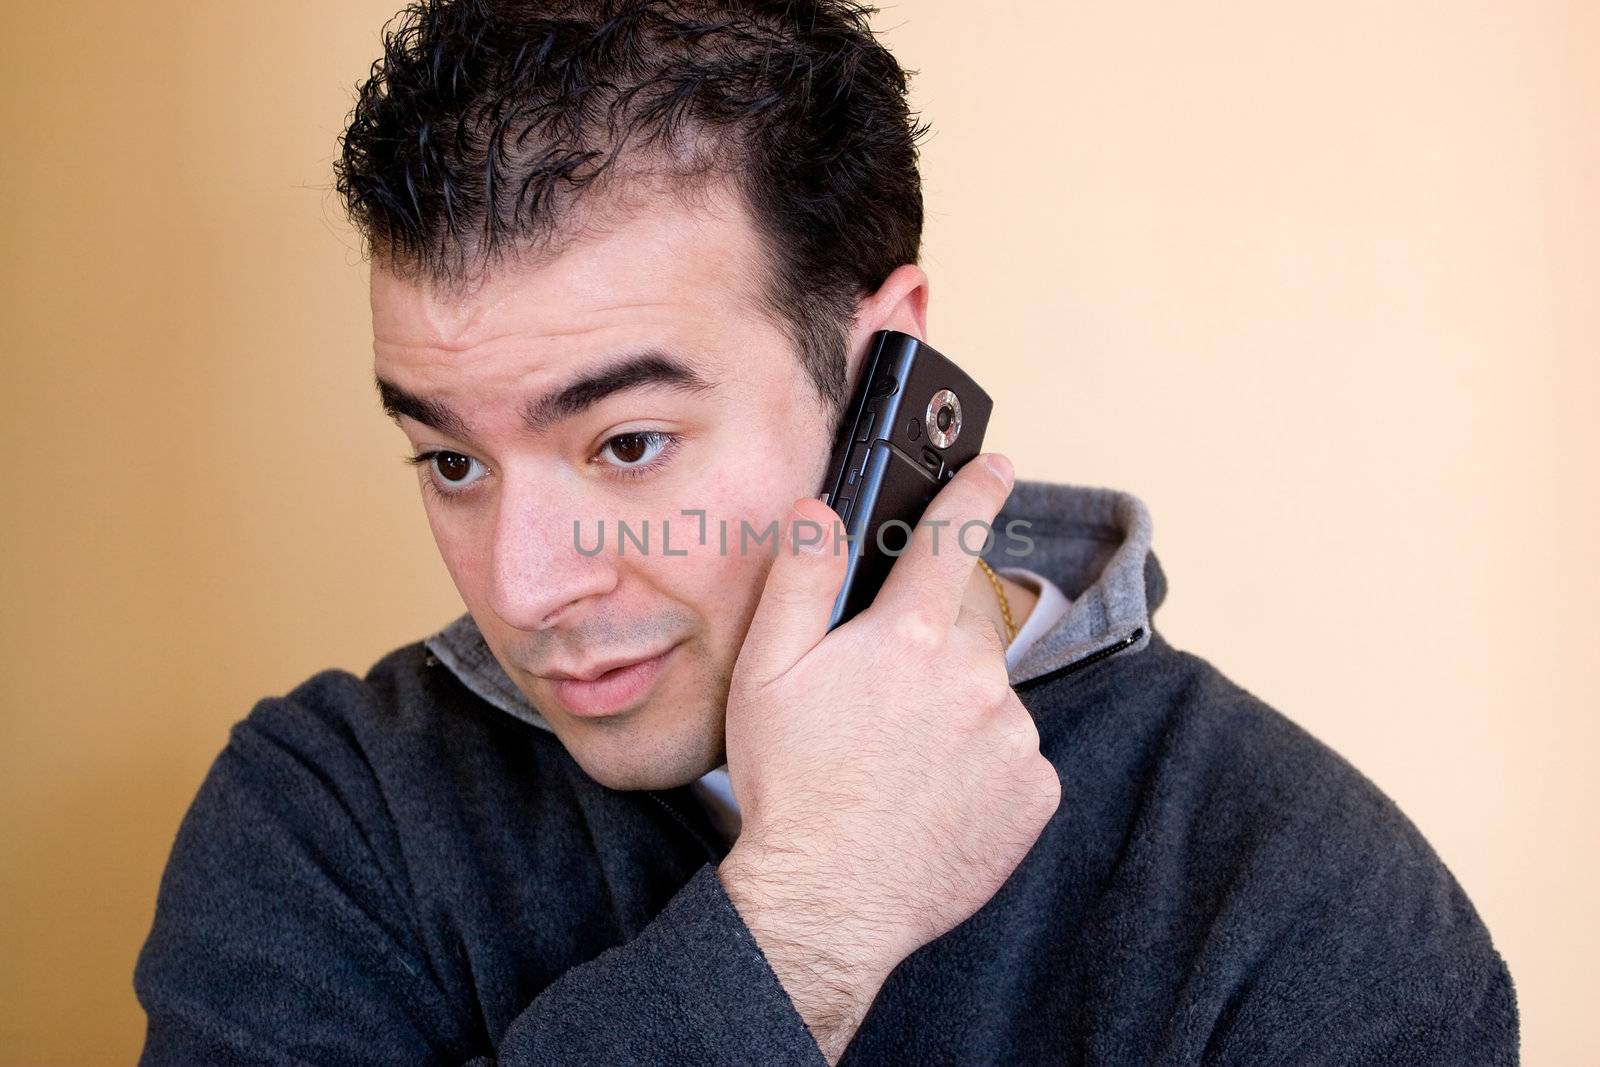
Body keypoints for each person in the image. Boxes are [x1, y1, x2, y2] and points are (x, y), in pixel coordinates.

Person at [133, 2, 1519, 1063]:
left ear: (885, 364)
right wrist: (800, 925)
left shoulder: (1300, 900)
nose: (522, 584)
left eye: (626, 446)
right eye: (448, 458)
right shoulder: (329, 810)